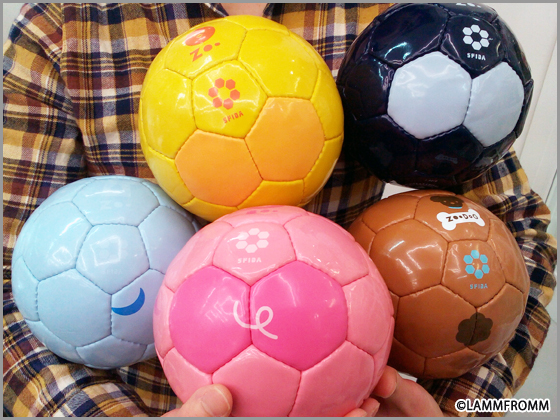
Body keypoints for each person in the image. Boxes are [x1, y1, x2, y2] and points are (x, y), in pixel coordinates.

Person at [3, 3, 556, 417]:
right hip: (145, 398)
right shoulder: (62, 25)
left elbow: (521, 234)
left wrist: (463, 408)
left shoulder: (404, 21)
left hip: (353, 394)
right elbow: (12, 286)